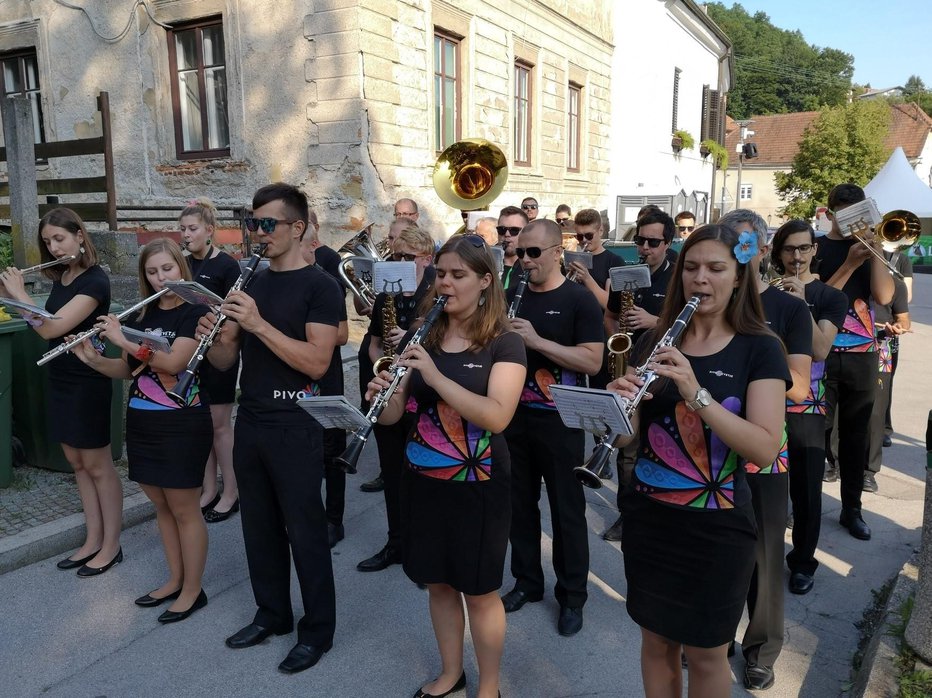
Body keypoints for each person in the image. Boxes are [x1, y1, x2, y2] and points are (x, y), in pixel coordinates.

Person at [608, 223, 789, 698]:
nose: (700, 279)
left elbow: (765, 447)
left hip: (718, 527)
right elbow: (630, 441)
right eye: (691, 268)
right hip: (649, 519)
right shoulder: (654, 342)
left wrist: (696, 393)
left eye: (715, 268)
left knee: (707, 653)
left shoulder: (761, 347)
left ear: (738, 276)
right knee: (654, 639)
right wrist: (613, 409)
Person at [366, 234, 525, 698]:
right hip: (423, 478)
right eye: (441, 274)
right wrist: (384, 397)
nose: (446, 284)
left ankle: (490, 686)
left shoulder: (505, 342)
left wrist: (434, 376)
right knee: (437, 583)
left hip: (478, 483)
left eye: (458, 275)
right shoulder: (424, 334)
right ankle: (451, 671)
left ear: (484, 281)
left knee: (478, 591)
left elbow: (497, 415)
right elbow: (397, 418)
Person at [201, 183, 341, 673]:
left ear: (297, 227)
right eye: (252, 224)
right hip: (254, 417)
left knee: (304, 531)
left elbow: (318, 364)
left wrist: (258, 324)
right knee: (258, 527)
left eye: (267, 224)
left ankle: (317, 630)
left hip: (298, 422)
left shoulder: (321, 286)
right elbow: (224, 360)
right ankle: (273, 614)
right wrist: (216, 335)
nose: (257, 234)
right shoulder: (249, 281)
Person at [73, 238, 213, 621]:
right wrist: (92, 359)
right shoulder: (139, 315)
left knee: (185, 509)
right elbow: (126, 370)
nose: (159, 278)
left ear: (180, 268)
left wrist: (122, 340)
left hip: (182, 421)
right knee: (162, 507)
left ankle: (192, 590)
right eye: (152, 272)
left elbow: (175, 363)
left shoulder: (196, 312)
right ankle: (174, 579)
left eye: (167, 269)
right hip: (143, 418)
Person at [0, 208, 122, 576]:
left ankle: (112, 545)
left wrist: (20, 294)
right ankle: (92, 538)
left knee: (99, 466)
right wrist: (9, 293)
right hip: (61, 377)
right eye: (48, 241)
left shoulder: (95, 282)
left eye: (59, 239)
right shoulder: (64, 276)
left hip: (88, 379)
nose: (53, 247)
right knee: (77, 464)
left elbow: (52, 328)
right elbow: (39, 322)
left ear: (79, 236)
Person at [720, 208, 812, 691]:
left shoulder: (787, 308)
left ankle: (762, 650)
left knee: (765, 555)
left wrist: (760, 336)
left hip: (764, 452)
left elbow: (797, 387)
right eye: (729, 244)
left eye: (745, 244)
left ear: (760, 248)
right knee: (717, 549)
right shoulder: (710, 302)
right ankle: (716, 640)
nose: (738, 254)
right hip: (708, 453)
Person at [502, 219, 604, 636]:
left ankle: (572, 596)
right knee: (518, 507)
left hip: (561, 420)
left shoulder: (579, 300)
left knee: (566, 512)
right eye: (520, 253)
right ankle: (527, 581)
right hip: (514, 416)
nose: (524, 261)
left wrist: (537, 341)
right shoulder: (513, 294)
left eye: (533, 253)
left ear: (557, 252)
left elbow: (593, 361)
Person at [769, 220, 847, 597]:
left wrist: (801, 305)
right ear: (778, 253)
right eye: (788, 249)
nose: (796, 257)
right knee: (764, 486)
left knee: (806, 490)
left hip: (809, 405)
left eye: (803, 248)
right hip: (765, 398)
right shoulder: (764, 292)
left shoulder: (831, 297)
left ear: (815, 249)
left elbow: (820, 350)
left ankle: (802, 562)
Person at [817, 183, 895, 541]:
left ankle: (853, 509)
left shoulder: (868, 247)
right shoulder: (817, 246)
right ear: (832, 213)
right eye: (845, 214)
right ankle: (806, 506)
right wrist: (849, 263)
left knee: (855, 436)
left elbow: (882, 296)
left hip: (862, 353)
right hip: (822, 352)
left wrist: (874, 247)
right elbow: (818, 296)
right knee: (816, 435)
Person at [357, 225, 436, 573]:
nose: (401, 264)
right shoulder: (387, 291)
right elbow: (374, 339)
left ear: (426, 259)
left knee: (423, 475)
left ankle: (426, 548)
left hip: (423, 394)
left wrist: (410, 338)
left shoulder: (438, 291)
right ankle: (396, 543)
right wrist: (381, 364)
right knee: (392, 471)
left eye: (409, 258)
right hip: (390, 389)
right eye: (397, 257)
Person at [601, 209, 677, 542]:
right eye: (640, 240)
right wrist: (618, 341)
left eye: (653, 242)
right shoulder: (627, 273)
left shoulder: (679, 276)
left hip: (666, 369)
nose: (644, 247)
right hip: (630, 365)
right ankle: (627, 514)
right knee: (627, 447)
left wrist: (653, 322)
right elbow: (611, 314)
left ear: (668, 242)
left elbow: (694, 323)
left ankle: (663, 512)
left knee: (663, 443)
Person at [179, 198, 242, 522]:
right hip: (192, 350)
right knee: (202, 424)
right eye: (182, 229)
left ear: (209, 231)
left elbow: (234, 313)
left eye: (192, 229)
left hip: (219, 353)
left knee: (220, 427)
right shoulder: (184, 263)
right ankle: (208, 489)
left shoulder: (226, 265)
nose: (186, 235)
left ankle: (230, 491)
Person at [301, 212, 350, 548]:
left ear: (313, 245)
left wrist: (302, 337)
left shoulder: (325, 282)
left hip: (326, 377)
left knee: (332, 453)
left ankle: (334, 520)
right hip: (295, 381)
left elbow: (344, 334)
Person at [357, 217, 409, 493]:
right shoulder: (386, 285)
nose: (394, 251)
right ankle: (386, 471)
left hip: (413, 379)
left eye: (406, 253)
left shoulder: (432, 289)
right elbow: (372, 332)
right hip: (387, 366)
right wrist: (381, 366)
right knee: (386, 437)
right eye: (391, 242)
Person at [865, 274, 910, 490]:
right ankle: (833, 463)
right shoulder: (851, 273)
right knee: (835, 409)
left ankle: (868, 471)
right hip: (844, 342)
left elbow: (904, 319)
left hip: (882, 345)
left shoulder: (896, 284)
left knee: (876, 411)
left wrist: (899, 326)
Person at [566, 208, 624, 311]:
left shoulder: (614, 261)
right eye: (579, 236)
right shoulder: (575, 260)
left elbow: (610, 305)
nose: (584, 241)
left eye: (589, 235)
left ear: (601, 231)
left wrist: (587, 278)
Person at [497, 205, 528, 291]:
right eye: (502, 230)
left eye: (514, 230)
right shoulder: (486, 261)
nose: (507, 234)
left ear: (525, 233)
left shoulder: (532, 265)